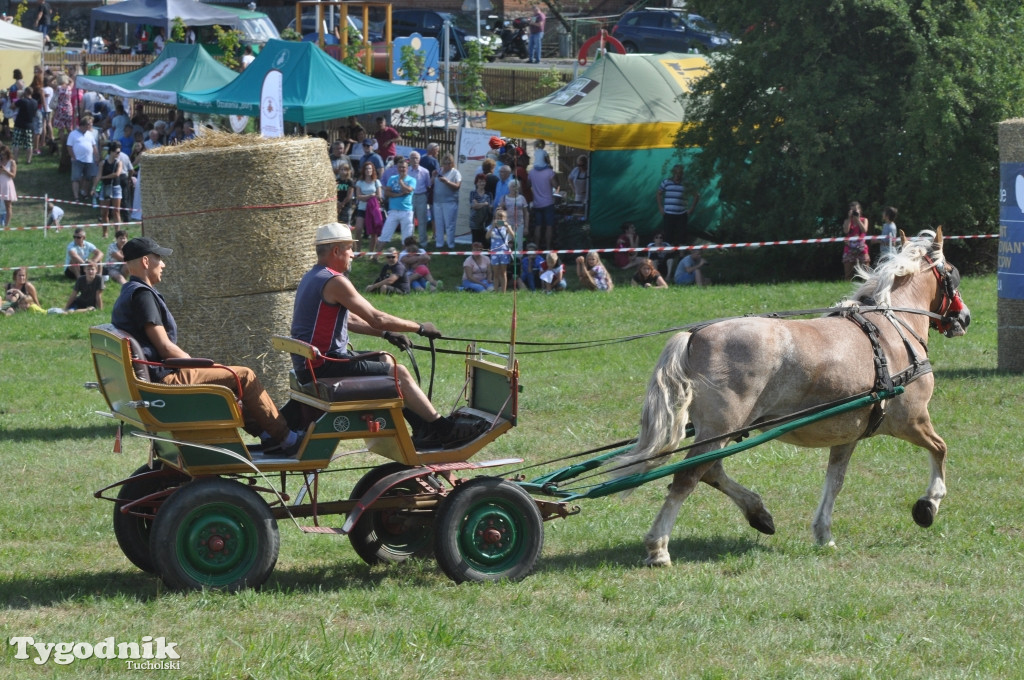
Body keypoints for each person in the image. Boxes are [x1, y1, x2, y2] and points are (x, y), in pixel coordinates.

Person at [291, 223, 485, 449]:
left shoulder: (313, 276)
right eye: (349, 248)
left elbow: (351, 320)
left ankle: (422, 427)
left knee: (383, 358)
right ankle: (443, 429)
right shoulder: (335, 281)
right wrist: (419, 327)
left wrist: (386, 334)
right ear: (336, 251)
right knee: (398, 372)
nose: (353, 254)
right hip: (324, 365)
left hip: (312, 364)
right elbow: (376, 317)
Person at [113, 236, 304, 454]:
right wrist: (196, 365)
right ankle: (287, 439)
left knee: (231, 379)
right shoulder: (143, 296)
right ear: (146, 262)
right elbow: (164, 347)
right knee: (244, 377)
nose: (163, 264)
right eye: (159, 258)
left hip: (153, 375)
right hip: (163, 379)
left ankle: (268, 435)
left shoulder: (127, 293)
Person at [657, 164, 698, 245]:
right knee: (668, 235)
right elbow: (659, 194)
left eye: (680, 173)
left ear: (682, 173)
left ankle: (681, 255)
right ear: (673, 172)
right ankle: (667, 254)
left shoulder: (686, 183)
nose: (678, 174)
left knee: (682, 235)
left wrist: (692, 208)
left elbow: (696, 195)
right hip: (668, 213)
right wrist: (660, 207)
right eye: (676, 172)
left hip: (681, 214)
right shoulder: (666, 182)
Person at [380, 157, 416, 246]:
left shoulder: (412, 180)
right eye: (400, 167)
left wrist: (401, 182)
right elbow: (387, 192)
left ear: (407, 168)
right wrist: (399, 194)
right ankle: (376, 255)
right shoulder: (392, 178)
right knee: (385, 234)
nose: (401, 169)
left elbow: (409, 190)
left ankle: (404, 257)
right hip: (393, 210)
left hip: (406, 211)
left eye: (403, 167)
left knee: (406, 237)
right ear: (397, 168)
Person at [67, 115, 99, 201]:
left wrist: (96, 157)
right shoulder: (73, 134)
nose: (91, 126)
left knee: (87, 178)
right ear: (84, 125)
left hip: (89, 160)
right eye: (89, 124)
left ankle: (84, 192)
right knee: (76, 178)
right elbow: (69, 147)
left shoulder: (90, 134)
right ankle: (76, 197)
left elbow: (94, 146)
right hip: (77, 160)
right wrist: (73, 157)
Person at [353, 161, 383, 254]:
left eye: (370, 168)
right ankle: (358, 251)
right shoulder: (359, 182)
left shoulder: (376, 182)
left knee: (373, 233)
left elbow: (379, 196)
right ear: (363, 170)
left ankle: (371, 252)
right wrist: (370, 196)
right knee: (358, 229)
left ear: (373, 170)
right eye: (366, 168)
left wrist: (366, 197)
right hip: (362, 208)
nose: (368, 170)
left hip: (373, 210)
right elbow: (358, 196)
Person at [433, 153, 462, 250]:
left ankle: (450, 244)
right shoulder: (438, 171)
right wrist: (433, 176)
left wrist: (447, 181)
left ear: (452, 163)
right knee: (439, 223)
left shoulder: (456, 173)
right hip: (437, 201)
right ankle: (439, 243)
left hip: (450, 202)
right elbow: (430, 184)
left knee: (449, 224)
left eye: (449, 163)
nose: (447, 165)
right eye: (445, 163)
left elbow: (457, 186)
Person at [98, 142, 124, 235]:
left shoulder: (119, 162)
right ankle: (105, 232)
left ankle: (118, 233)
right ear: (111, 152)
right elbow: (98, 176)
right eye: (117, 152)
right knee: (104, 212)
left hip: (116, 188)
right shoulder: (103, 163)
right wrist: (94, 187)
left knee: (116, 211)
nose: (118, 154)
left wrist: (103, 177)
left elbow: (117, 174)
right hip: (105, 188)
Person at [406, 151, 431, 244]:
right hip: (409, 197)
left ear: (419, 159)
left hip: (421, 196)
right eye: (412, 157)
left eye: (416, 158)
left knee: (422, 220)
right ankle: (410, 242)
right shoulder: (406, 171)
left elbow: (428, 185)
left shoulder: (425, 171)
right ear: (409, 160)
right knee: (409, 220)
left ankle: (423, 242)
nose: (415, 160)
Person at [486, 208, 514, 293]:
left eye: (501, 218)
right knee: (495, 273)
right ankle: (496, 290)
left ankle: (503, 291)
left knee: (503, 272)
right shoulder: (491, 227)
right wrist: (492, 227)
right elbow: (487, 237)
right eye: (497, 218)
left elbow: (513, 236)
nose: (498, 220)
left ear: (505, 219)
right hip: (494, 252)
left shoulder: (506, 227)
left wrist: (508, 227)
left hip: (504, 252)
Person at [842, 201, 871, 280]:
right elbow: (846, 231)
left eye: (856, 210)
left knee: (866, 273)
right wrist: (849, 218)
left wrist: (858, 220)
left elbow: (864, 230)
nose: (854, 212)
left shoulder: (864, 220)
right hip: (849, 249)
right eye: (853, 211)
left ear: (860, 211)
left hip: (862, 248)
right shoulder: (847, 221)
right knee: (848, 274)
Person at [499, 178, 530, 248]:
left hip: (519, 224)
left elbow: (526, 213)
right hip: (507, 225)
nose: (515, 188)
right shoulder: (504, 198)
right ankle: (507, 258)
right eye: (513, 186)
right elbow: (498, 213)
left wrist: (526, 227)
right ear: (509, 187)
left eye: (516, 186)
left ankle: (518, 258)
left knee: (519, 245)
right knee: (507, 244)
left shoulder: (522, 198)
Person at [12, 85, 37, 165]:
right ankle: (28, 160)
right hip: (29, 125)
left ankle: (15, 160)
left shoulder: (22, 101)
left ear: (25, 92)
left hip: (19, 124)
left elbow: (12, 106)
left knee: (16, 143)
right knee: (29, 144)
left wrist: (19, 97)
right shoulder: (35, 102)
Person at [468, 175, 493, 247]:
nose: (482, 183)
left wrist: (479, 204)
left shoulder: (489, 194)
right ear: (476, 183)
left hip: (486, 221)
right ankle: (475, 256)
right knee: (475, 241)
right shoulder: (472, 193)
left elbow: (490, 207)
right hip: (475, 221)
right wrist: (485, 203)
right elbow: (474, 206)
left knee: (485, 241)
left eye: (484, 181)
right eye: (480, 181)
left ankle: (485, 257)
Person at [335, 159, 355, 227]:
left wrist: (342, 204)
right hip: (337, 204)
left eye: (345, 169)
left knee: (345, 223)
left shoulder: (349, 182)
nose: (343, 171)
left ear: (348, 171)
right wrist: (337, 202)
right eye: (341, 169)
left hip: (346, 205)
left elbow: (349, 195)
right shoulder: (337, 181)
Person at [0, 145, 16, 225]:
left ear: (7, 153)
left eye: (4, 154)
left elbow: (13, 175)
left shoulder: (12, 162)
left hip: (7, 184)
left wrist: (5, 170)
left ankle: (7, 224)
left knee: (8, 205)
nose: (2, 156)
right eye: (1, 154)